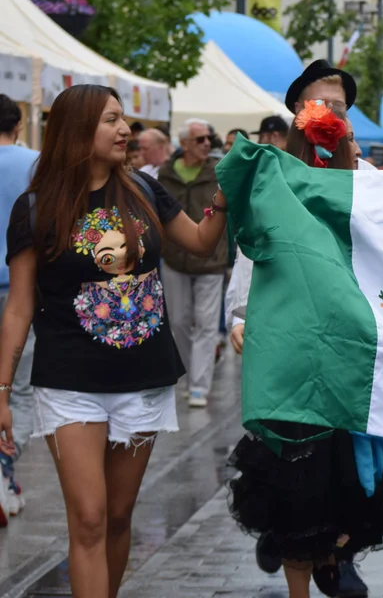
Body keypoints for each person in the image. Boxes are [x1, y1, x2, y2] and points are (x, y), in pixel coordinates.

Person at [0, 84, 227, 598]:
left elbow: (198, 240)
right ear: (79, 129)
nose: (125, 129)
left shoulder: (145, 192)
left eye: (123, 119)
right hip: (69, 383)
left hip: (142, 380)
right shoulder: (36, 208)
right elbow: (18, 306)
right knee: (90, 519)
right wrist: (1, 393)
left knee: (120, 518)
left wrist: (223, 199)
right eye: (111, 120)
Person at [226, 98, 383, 598]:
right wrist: (240, 317)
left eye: (343, 133)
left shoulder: (362, 198)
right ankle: (308, 575)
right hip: (292, 373)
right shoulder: (277, 196)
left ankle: (334, 564)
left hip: (344, 370)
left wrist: (336, 137)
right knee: (297, 498)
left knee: (341, 496)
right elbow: (294, 179)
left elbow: (344, 187)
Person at [157, 118, 229, 409]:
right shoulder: (166, 173)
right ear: (184, 142)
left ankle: (200, 386)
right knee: (179, 321)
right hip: (175, 258)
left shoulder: (218, 172)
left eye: (208, 138)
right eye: (200, 139)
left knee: (206, 323)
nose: (207, 144)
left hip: (211, 260)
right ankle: (191, 378)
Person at [0, 94, 37, 519]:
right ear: (19, 123)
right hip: (25, 293)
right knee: (19, 390)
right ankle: (5, 466)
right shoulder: (37, 165)